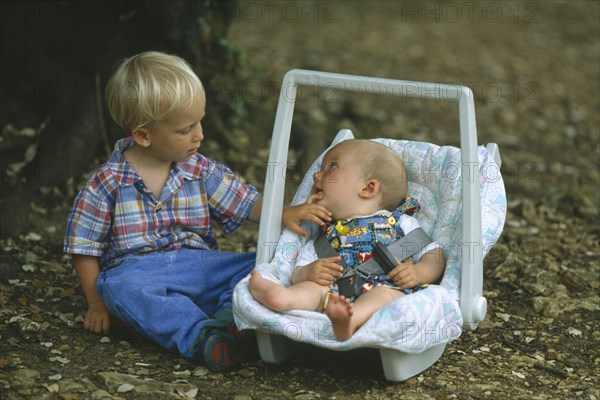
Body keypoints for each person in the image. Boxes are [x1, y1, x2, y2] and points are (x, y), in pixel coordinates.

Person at [63, 51, 328, 371]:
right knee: (120, 288)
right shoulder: (106, 183)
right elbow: (84, 248)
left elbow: (244, 201)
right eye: (185, 129)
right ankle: (202, 336)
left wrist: (282, 212)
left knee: (258, 264)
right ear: (143, 135)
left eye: (199, 121)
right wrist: (95, 304)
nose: (199, 134)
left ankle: (233, 319)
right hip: (138, 270)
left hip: (201, 266)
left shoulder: (199, 169)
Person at [248, 139, 446, 341]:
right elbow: (298, 272)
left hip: (387, 285)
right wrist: (309, 272)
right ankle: (282, 298)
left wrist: (419, 273)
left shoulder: (398, 222)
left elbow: (434, 254)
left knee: (385, 296)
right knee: (314, 290)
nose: (317, 175)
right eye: (321, 168)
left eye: (332, 167)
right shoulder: (325, 234)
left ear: (368, 188)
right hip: (336, 293)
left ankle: (351, 319)